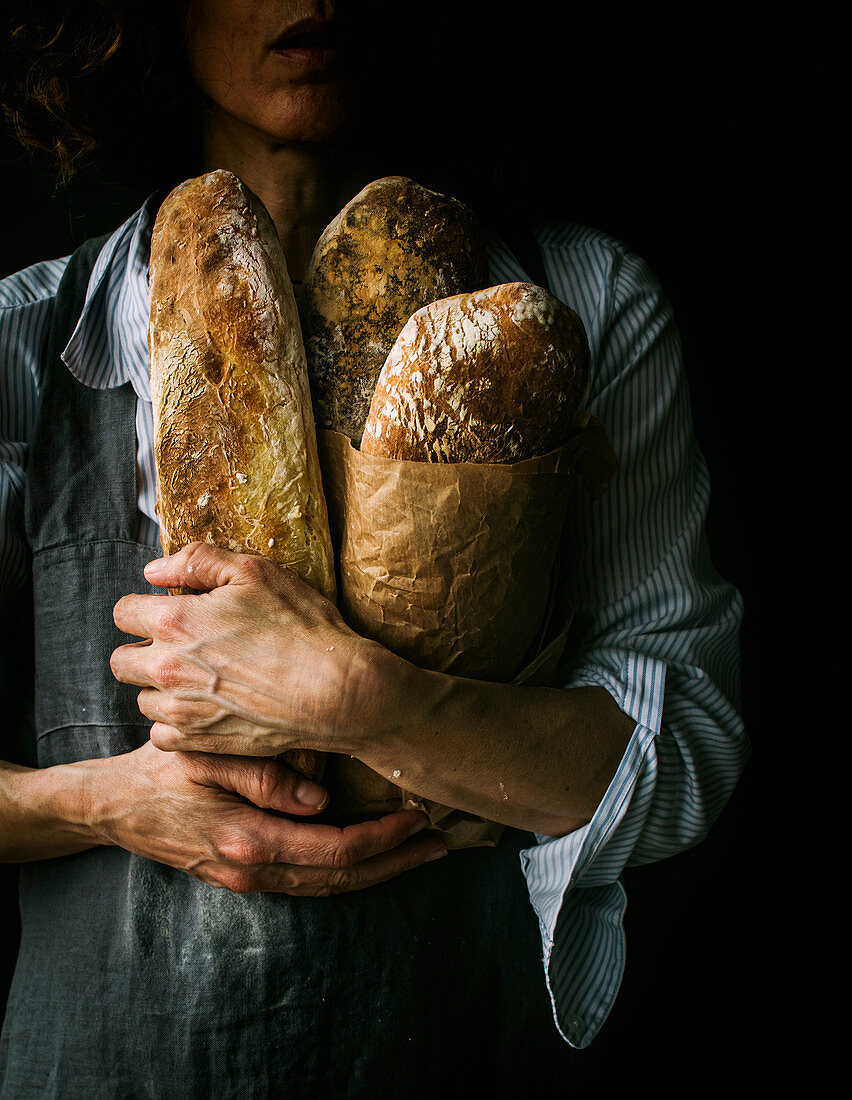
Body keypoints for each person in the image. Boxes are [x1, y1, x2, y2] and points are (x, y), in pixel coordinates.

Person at [0, 2, 748, 1096]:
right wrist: (106, 800)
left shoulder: (578, 306)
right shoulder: (25, 342)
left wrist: (366, 700)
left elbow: (689, 747)